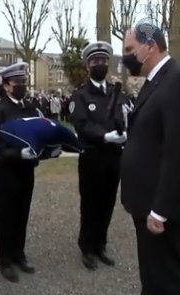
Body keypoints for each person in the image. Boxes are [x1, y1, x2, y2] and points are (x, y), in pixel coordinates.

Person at [115, 21, 180, 295]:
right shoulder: (158, 81)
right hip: (148, 200)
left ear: (150, 45)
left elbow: (179, 152)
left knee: (166, 278)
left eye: (130, 49)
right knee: (152, 271)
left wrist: (161, 210)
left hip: (164, 206)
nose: (126, 56)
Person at [0, 62, 60, 283]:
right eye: (17, 82)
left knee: (22, 214)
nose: (22, 85)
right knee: (5, 216)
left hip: (26, 172)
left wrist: (50, 149)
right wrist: (17, 154)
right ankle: (4, 259)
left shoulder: (32, 108)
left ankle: (19, 254)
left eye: (24, 81)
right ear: (6, 85)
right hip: (5, 173)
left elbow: (42, 133)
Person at [70, 41, 130, 270]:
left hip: (114, 158)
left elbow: (125, 119)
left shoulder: (117, 94)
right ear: (88, 65)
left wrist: (125, 134)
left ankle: (101, 244)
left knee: (107, 202)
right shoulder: (81, 96)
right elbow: (82, 125)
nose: (100, 64)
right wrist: (105, 136)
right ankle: (87, 246)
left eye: (104, 61)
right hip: (92, 158)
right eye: (95, 61)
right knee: (90, 203)